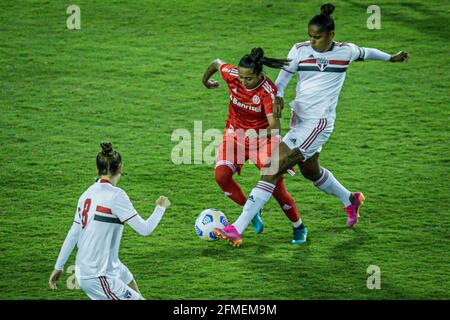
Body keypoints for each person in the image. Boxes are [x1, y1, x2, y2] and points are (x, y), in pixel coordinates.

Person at [214, 3, 409, 247]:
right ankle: (351, 199)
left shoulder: (345, 52)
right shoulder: (299, 50)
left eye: (317, 37)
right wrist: (279, 96)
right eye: (310, 36)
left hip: (318, 123)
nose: (312, 41)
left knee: (271, 169)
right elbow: (284, 77)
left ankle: (237, 228)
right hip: (299, 117)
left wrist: (391, 57)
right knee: (310, 171)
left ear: (330, 35)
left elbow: (367, 52)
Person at [202, 48, 307, 244]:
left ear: (260, 74)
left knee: (276, 188)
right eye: (241, 77)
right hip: (235, 134)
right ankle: (250, 212)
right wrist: (205, 81)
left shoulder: (269, 93)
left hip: (264, 139)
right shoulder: (234, 76)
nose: (242, 82)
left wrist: (256, 133)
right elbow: (217, 62)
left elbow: (275, 128)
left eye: (248, 79)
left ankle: (299, 226)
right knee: (221, 176)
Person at [48, 142, 171, 300]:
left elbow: (73, 233)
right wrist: (160, 207)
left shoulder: (86, 195)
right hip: (99, 275)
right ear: (120, 168)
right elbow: (145, 229)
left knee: (128, 278)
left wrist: (59, 267)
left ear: (97, 168)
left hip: (93, 266)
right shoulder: (116, 196)